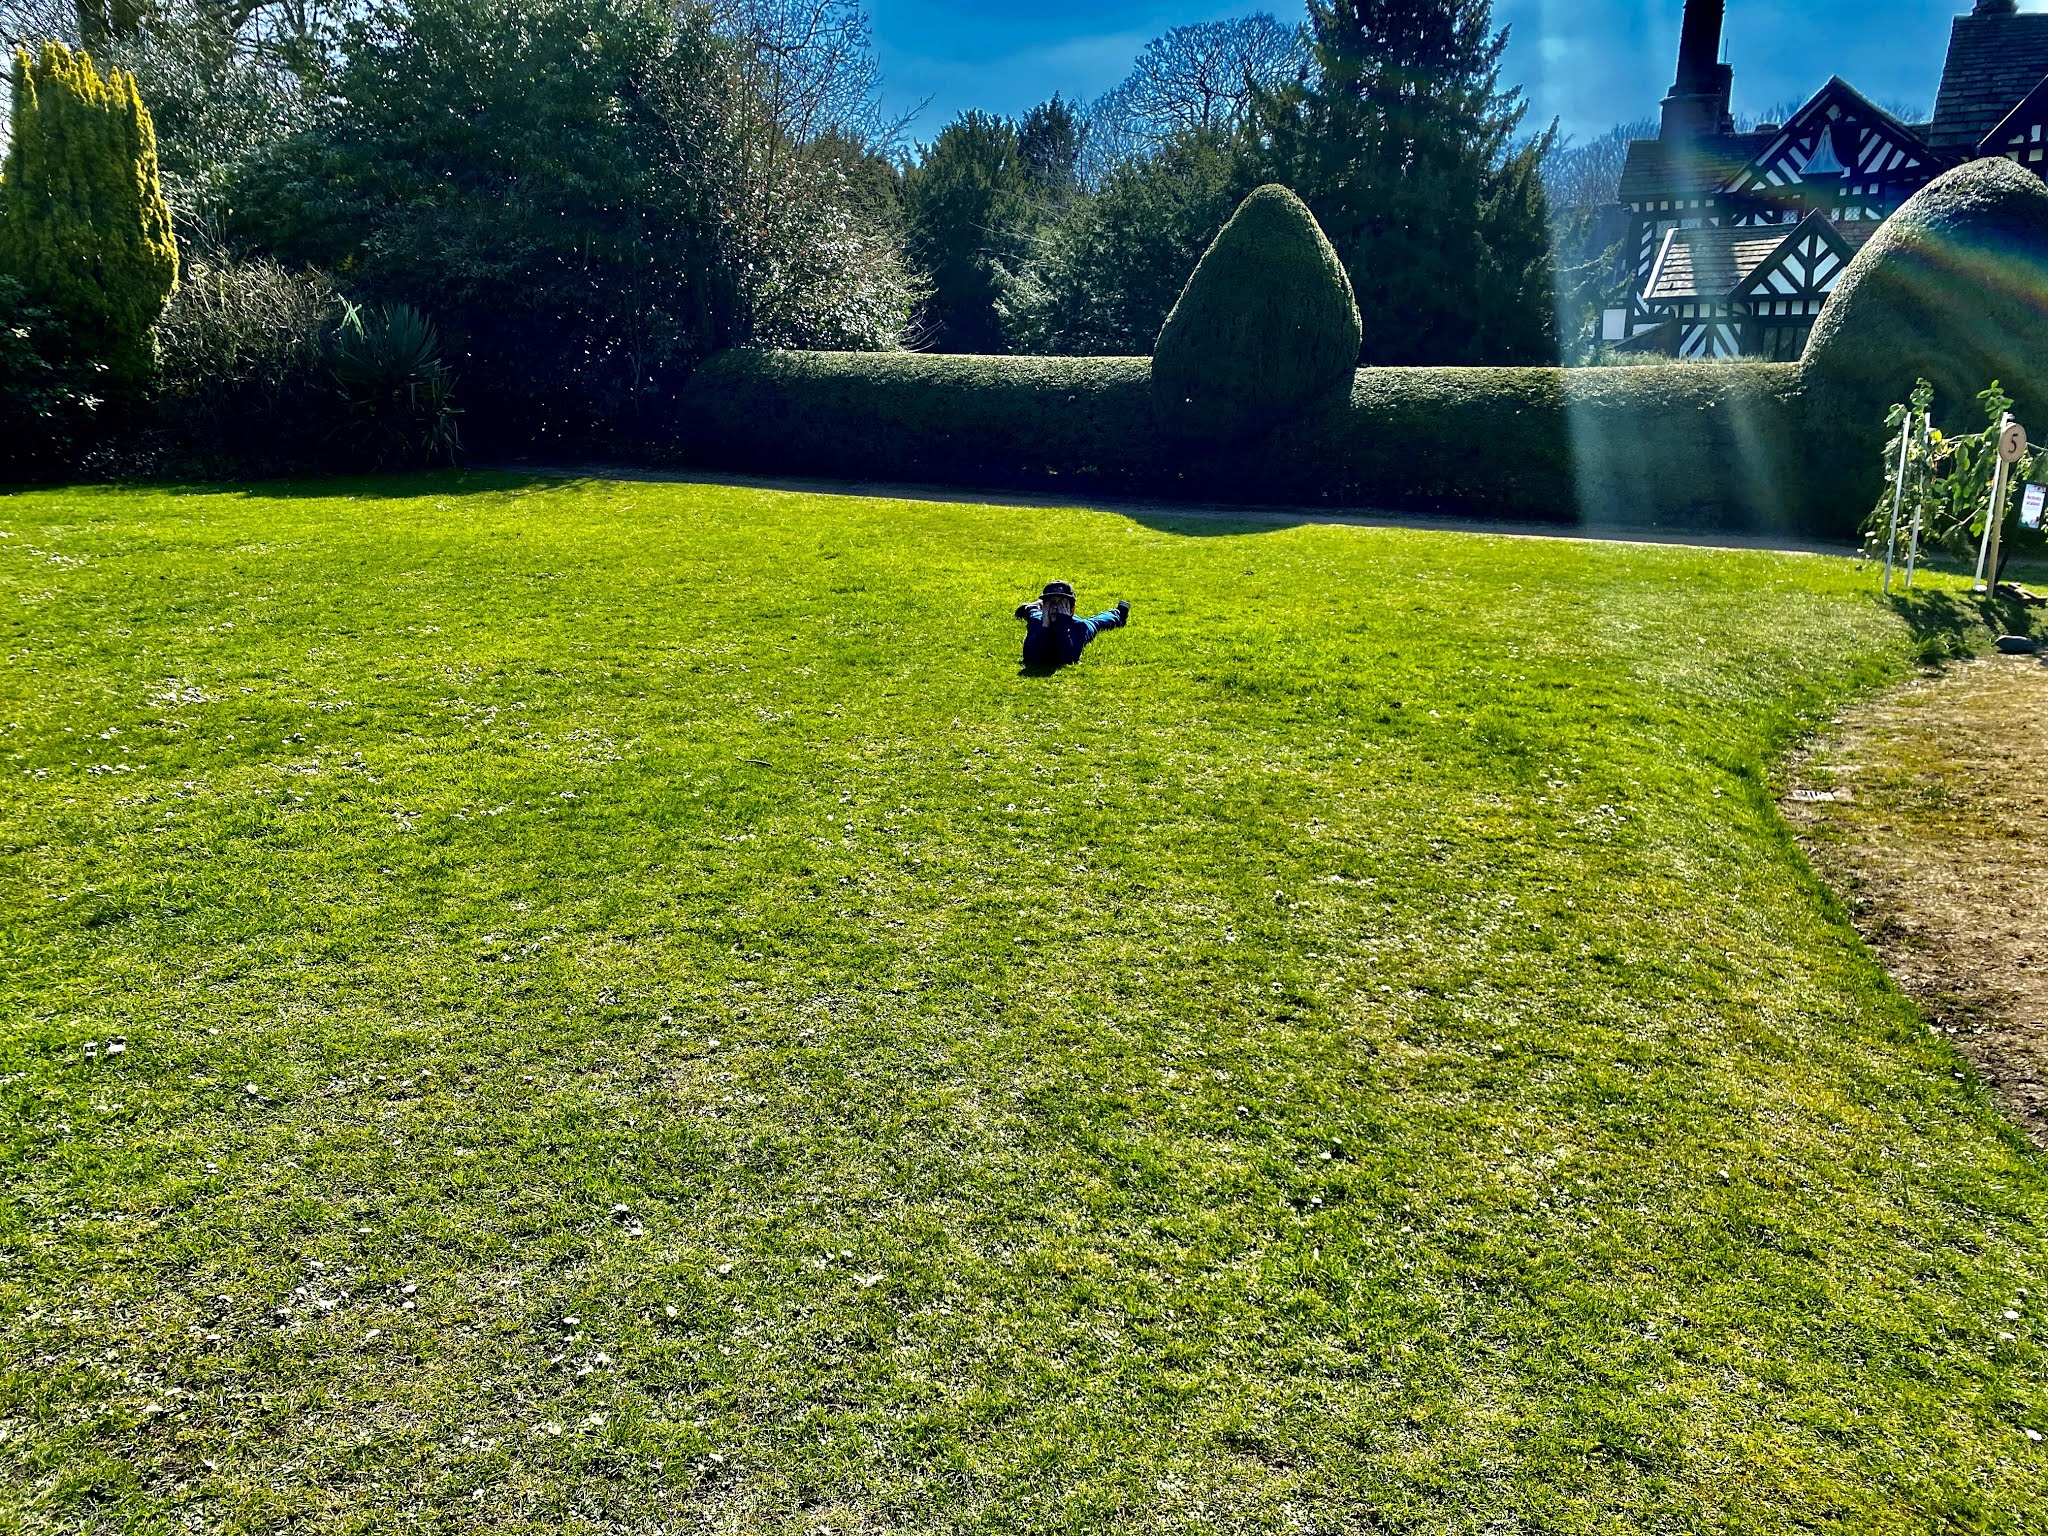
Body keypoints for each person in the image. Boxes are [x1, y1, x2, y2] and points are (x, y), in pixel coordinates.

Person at [1015, 581, 1129, 669]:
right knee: (1034, 613)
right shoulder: (1039, 621)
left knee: (1096, 623)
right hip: (1043, 617)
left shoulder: (1080, 627)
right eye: (1050, 602)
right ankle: (1033, 606)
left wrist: (1062, 624)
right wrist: (1045, 625)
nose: (1055, 607)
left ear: (1072, 609)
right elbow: (1030, 658)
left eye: (1061, 603)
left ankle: (1118, 613)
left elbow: (1069, 658)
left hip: (1070, 622)